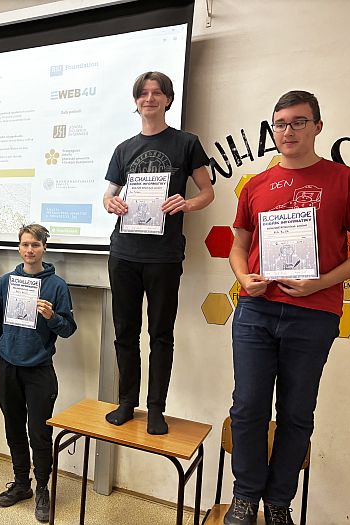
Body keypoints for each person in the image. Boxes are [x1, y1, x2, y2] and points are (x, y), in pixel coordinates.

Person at [225, 91, 350, 525]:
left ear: (317, 126)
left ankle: (278, 501)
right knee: (247, 408)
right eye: (280, 123)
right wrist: (243, 278)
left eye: (298, 122)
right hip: (256, 310)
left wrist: (321, 283)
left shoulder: (347, 181)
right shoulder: (256, 185)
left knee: (295, 413)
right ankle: (245, 496)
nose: (287, 131)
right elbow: (239, 247)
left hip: (315, 313)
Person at [103, 71, 214, 434]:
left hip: (164, 255)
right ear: (136, 101)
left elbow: (207, 192)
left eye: (157, 93)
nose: (149, 98)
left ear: (168, 99)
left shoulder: (186, 143)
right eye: (143, 93)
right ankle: (126, 402)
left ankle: (156, 409)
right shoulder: (124, 149)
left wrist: (187, 203)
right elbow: (108, 195)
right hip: (124, 252)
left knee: (161, 334)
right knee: (125, 332)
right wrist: (110, 203)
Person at [0, 224, 76, 523]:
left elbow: (69, 329)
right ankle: (22, 483)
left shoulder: (57, 286)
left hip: (39, 371)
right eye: (25, 244)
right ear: (18, 247)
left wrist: (51, 317)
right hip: (7, 367)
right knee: (13, 429)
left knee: (39, 433)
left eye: (35, 245)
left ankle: (42, 489)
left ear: (44, 248)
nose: (29, 250)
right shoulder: (6, 283)